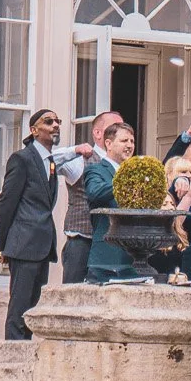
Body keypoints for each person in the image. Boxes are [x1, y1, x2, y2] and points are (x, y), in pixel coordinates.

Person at [0, 108, 86, 341]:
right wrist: (3, 245)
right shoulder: (22, 159)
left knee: (33, 307)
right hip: (23, 243)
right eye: (49, 121)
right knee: (20, 305)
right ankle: (14, 352)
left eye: (58, 121)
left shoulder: (50, 162)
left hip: (43, 244)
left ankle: (26, 350)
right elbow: (6, 202)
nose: (55, 125)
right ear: (34, 130)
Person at [60, 111, 120, 284]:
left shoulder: (123, 164)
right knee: (73, 292)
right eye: (114, 127)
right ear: (98, 133)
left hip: (110, 241)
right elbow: (46, 161)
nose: (119, 131)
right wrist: (73, 150)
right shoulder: (81, 160)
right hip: (81, 240)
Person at [82, 123, 140, 283]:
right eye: (124, 141)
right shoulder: (96, 169)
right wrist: (125, 180)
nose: (130, 145)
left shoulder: (136, 173)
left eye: (132, 141)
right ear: (108, 143)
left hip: (135, 257)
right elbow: (95, 192)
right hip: (107, 257)